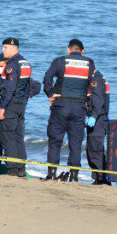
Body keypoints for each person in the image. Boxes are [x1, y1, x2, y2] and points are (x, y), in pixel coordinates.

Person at [42, 39, 95, 182]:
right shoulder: (89, 63)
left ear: (68, 49)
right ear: (82, 51)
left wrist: (50, 93)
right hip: (79, 107)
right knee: (76, 143)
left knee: (55, 140)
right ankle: (74, 175)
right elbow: (92, 84)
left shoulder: (60, 61)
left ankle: (52, 173)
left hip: (61, 105)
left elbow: (47, 79)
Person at [0, 37, 32, 178]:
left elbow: (10, 88)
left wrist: (3, 107)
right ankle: (21, 168)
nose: (3, 50)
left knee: (8, 136)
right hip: (21, 104)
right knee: (18, 136)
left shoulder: (12, 64)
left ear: (13, 48)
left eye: (5, 47)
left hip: (11, 103)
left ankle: (12, 169)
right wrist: (23, 101)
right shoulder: (25, 62)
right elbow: (28, 86)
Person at [84, 65, 111, 185]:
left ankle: (102, 179)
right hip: (98, 118)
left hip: (99, 119)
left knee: (95, 150)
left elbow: (98, 101)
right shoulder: (98, 78)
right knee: (92, 149)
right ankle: (98, 178)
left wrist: (93, 116)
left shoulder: (96, 80)